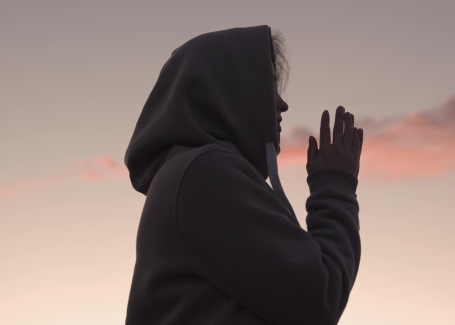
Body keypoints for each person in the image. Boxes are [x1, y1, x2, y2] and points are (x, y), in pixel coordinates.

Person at [123, 25, 363, 325]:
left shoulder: (190, 173)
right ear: (226, 88)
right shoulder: (207, 173)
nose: (282, 103)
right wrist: (335, 185)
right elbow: (318, 295)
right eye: (269, 85)